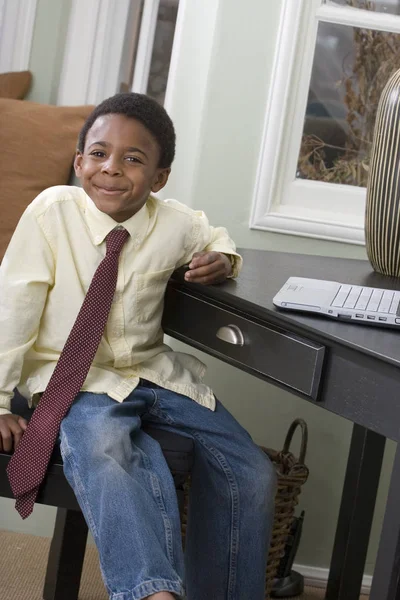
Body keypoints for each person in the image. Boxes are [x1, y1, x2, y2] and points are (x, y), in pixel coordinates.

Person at [0, 93, 276, 600]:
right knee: (105, 449)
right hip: (75, 381)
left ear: (159, 177)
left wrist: (223, 259)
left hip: (154, 376)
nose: (111, 169)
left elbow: (216, 238)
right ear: (79, 161)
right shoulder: (51, 213)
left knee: (252, 470)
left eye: (133, 159)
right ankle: (153, 593)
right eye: (99, 154)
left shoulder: (174, 223)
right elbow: (11, 311)